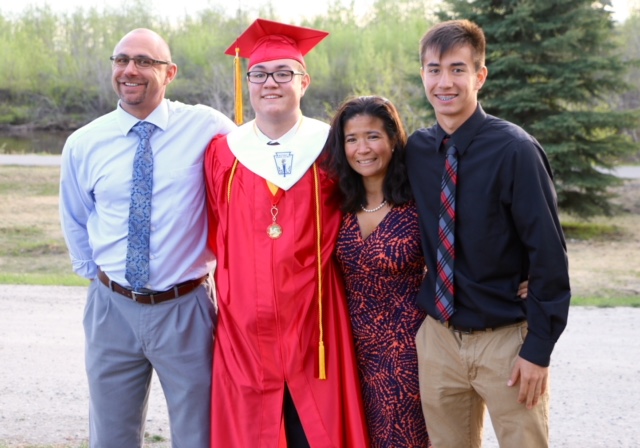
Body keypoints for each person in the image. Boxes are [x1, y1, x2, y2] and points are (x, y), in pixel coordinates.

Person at [59, 28, 235, 447]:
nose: (129, 70)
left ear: (169, 72)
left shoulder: (206, 125)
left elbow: (257, 154)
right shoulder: (84, 143)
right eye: (121, 60)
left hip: (185, 308)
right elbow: (76, 218)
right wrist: (102, 283)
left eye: (144, 61)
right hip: (111, 308)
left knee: (200, 433)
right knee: (111, 434)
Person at [203, 19, 370, 447]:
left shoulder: (333, 147)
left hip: (317, 322)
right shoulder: (225, 154)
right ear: (248, 81)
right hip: (245, 327)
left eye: (283, 73)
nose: (269, 83)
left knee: (314, 431)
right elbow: (217, 231)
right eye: (259, 74)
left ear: (304, 81)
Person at [406, 19, 571, 447]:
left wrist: (538, 349)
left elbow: (549, 255)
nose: (445, 82)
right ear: (422, 73)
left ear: (480, 75)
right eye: (434, 69)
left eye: (458, 69)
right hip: (439, 341)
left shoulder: (516, 150)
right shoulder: (417, 152)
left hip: (506, 343)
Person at [321, 95, 430, 447]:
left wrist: (518, 278)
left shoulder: (418, 203)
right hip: (348, 352)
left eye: (372, 136)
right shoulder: (337, 205)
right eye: (352, 139)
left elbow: (466, 249)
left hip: (408, 356)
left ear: (394, 140)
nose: (362, 149)